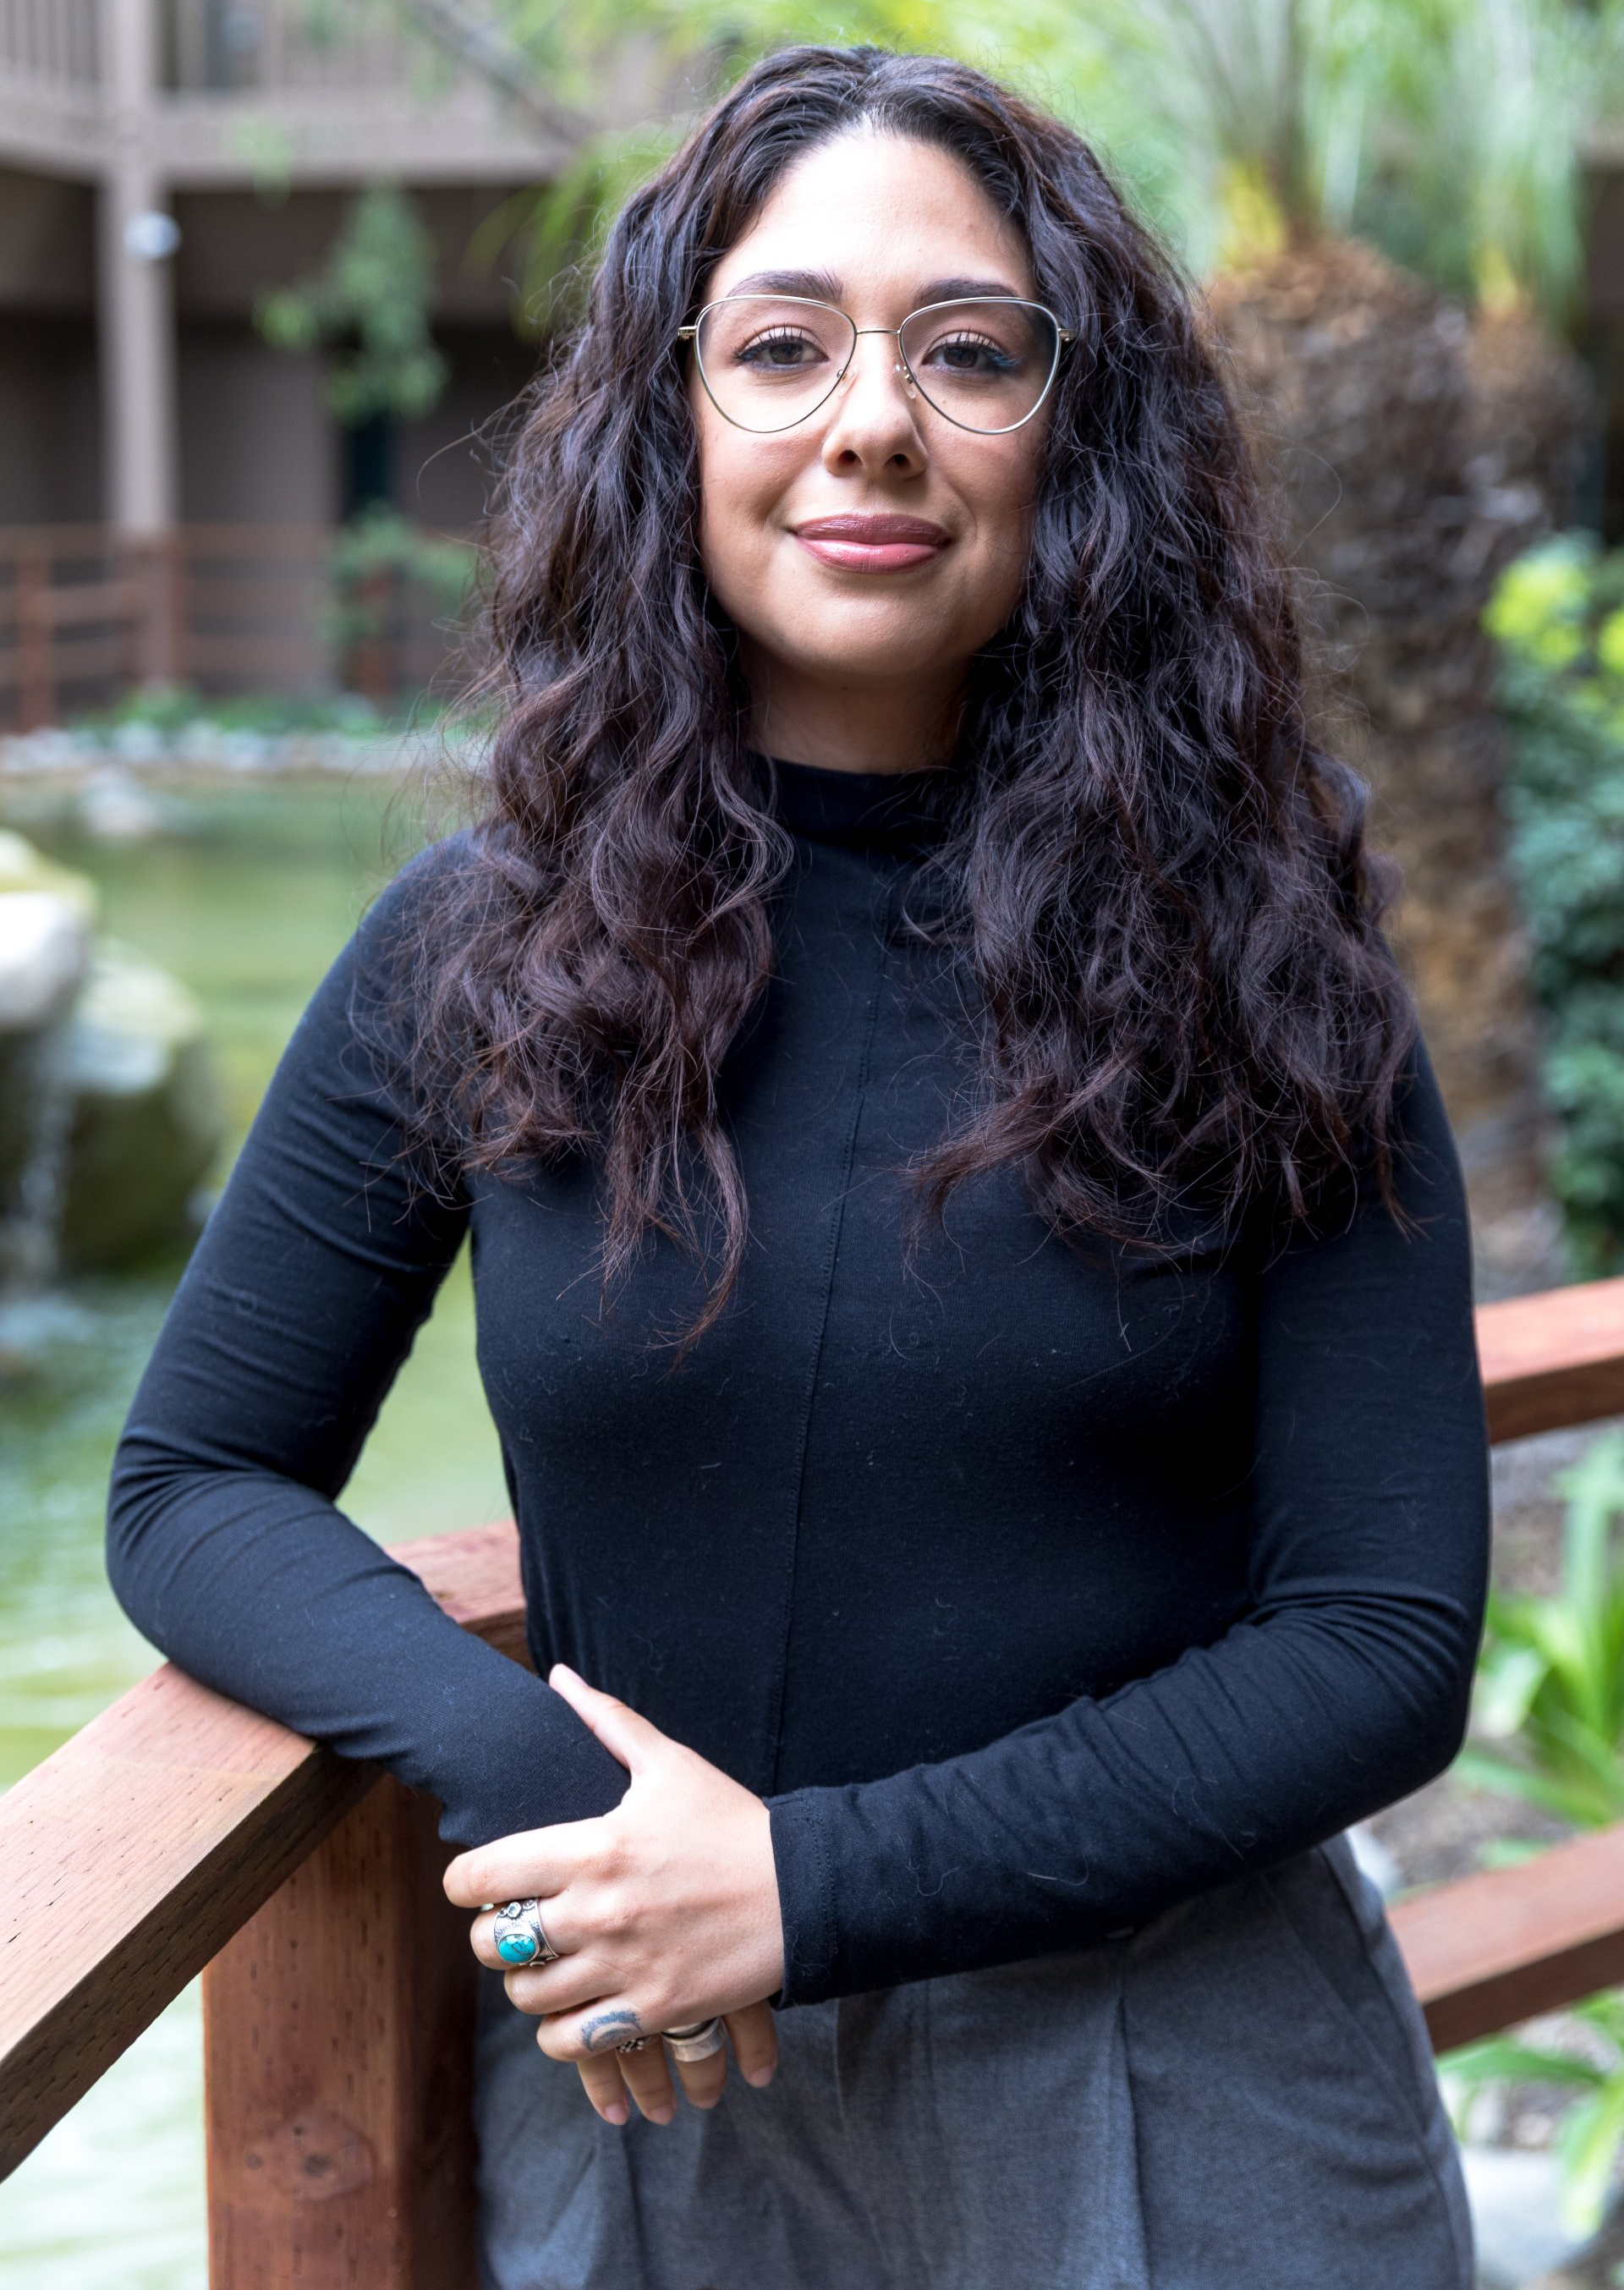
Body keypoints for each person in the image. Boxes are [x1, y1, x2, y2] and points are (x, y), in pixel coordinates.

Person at [108, 43, 1488, 2290]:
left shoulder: (1268, 960)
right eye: (779, 347)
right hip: (650, 2073)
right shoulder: (480, 949)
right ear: (671, 420)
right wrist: (558, 1807)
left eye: (968, 351)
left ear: (1081, 436)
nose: (870, 422)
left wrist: (807, 1888)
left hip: (1168, 2075)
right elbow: (193, 1483)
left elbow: (1382, 1635)